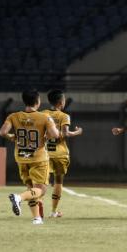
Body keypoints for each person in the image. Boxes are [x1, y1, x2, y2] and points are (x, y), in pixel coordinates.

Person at [0, 89, 59, 225]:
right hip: (38, 158)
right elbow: (55, 134)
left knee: (31, 188)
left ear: (24, 101)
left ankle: (37, 218)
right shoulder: (44, 117)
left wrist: (12, 137)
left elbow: (2, 132)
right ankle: (18, 197)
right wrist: (46, 135)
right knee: (41, 189)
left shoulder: (13, 116)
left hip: (21, 157)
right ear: (38, 102)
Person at [42, 90, 83, 218]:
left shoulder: (42, 114)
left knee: (42, 182)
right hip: (60, 153)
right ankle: (53, 211)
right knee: (58, 181)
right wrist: (77, 132)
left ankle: (38, 211)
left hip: (45, 153)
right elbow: (65, 134)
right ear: (61, 102)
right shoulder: (64, 116)